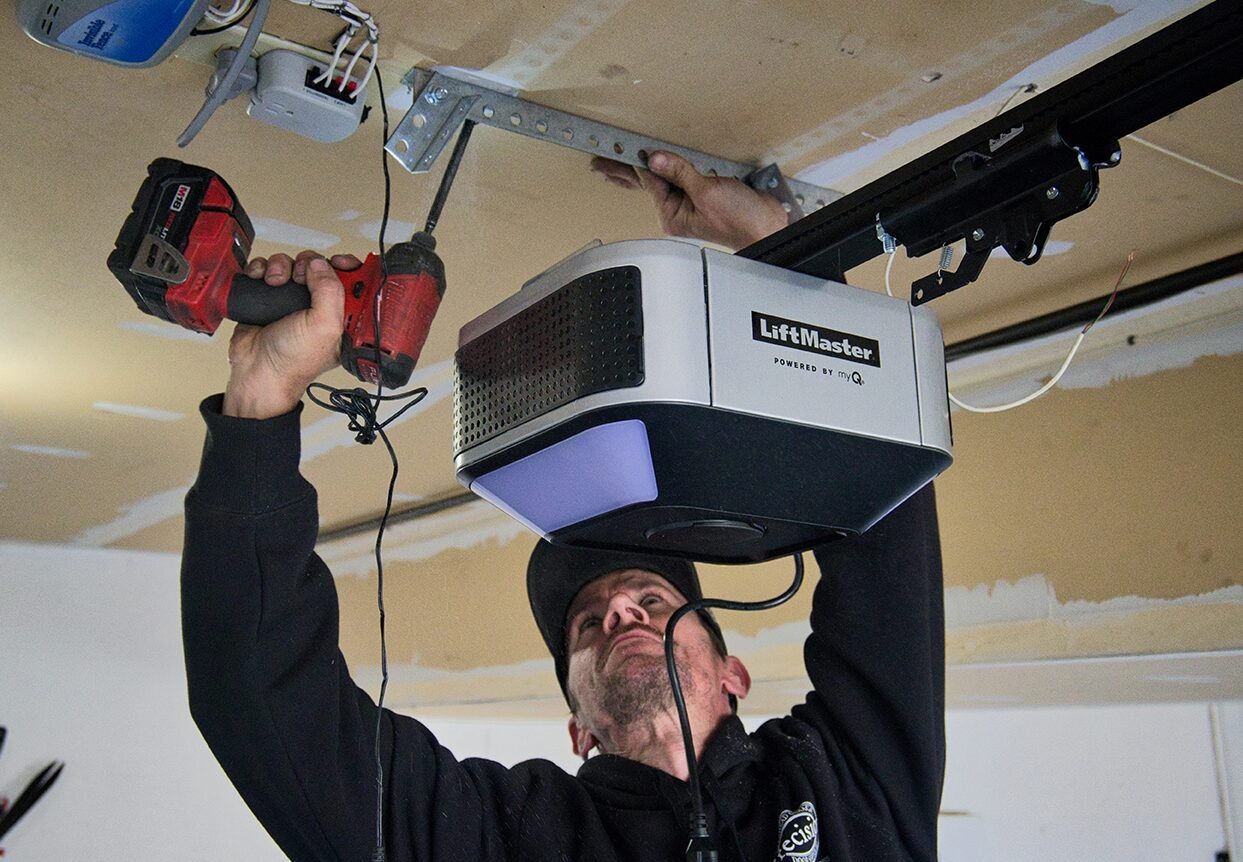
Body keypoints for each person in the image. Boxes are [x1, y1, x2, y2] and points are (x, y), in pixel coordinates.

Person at [181, 151, 945, 861]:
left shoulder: (828, 782)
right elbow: (269, 710)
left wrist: (785, 260)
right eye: (591, 622)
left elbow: (887, 562)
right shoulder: (509, 835)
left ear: (733, 675)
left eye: (645, 600)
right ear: (578, 728)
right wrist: (265, 387)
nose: (621, 615)